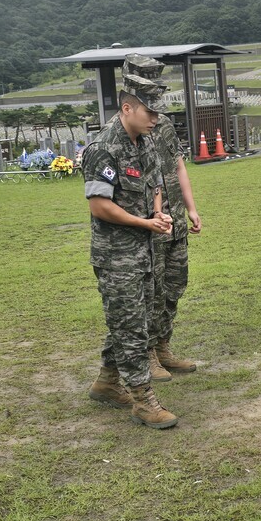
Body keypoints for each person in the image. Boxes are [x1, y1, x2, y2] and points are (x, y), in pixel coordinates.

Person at [82, 54, 178, 429]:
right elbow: (99, 206)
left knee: (134, 319)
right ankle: (142, 398)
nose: (156, 118)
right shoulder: (103, 148)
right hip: (117, 254)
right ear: (127, 107)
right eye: (150, 112)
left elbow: (155, 183)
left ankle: (107, 382)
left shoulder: (146, 142)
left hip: (145, 249)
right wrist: (144, 222)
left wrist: (159, 214)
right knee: (130, 325)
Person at [147, 92, 202, 381]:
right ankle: (148, 355)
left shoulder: (165, 125)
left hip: (176, 223)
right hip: (149, 227)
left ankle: (163, 346)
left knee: (174, 286)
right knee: (151, 293)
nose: (154, 115)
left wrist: (191, 209)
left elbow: (179, 165)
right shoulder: (125, 131)